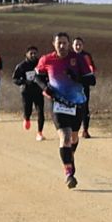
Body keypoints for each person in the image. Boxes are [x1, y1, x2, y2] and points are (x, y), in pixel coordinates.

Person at [34, 33, 88, 186]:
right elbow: (37, 76)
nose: (62, 46)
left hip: (77, 103)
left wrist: (76, 77)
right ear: (54, 44)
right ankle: (69, 173)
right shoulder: (46, 59)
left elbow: (91, 80)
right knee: (64, 137)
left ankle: (69, 157)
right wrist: (46, 88)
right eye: (59, 43)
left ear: (69, 44)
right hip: (58, 104)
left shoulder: (78, 59)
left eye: (65, 43)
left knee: (74, 138)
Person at [12, 45, 46, 138]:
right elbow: (15, 79)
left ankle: (40, 133)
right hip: (26, 92)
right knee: (28, 110)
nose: (33, 55)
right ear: (26, 54)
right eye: (31, 53)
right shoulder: (21, 66)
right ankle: (26, 118)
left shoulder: (40, 64)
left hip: (38, 91)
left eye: (35, 53)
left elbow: (46, 75)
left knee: (40, 112)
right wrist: (24, 82)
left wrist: (45, 84)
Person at [69, 36, 98, 138]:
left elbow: (92, 69)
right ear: (72, 46)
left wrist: (89, 77)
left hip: (84, 86)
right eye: (76, 44)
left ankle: (85, 130)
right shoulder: (68, 56)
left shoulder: (86, 56)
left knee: (85, 107)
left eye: (80, 44)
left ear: (83, 45)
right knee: (70, 107)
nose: (78, 46)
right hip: (70, 87)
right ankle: (71, 130)